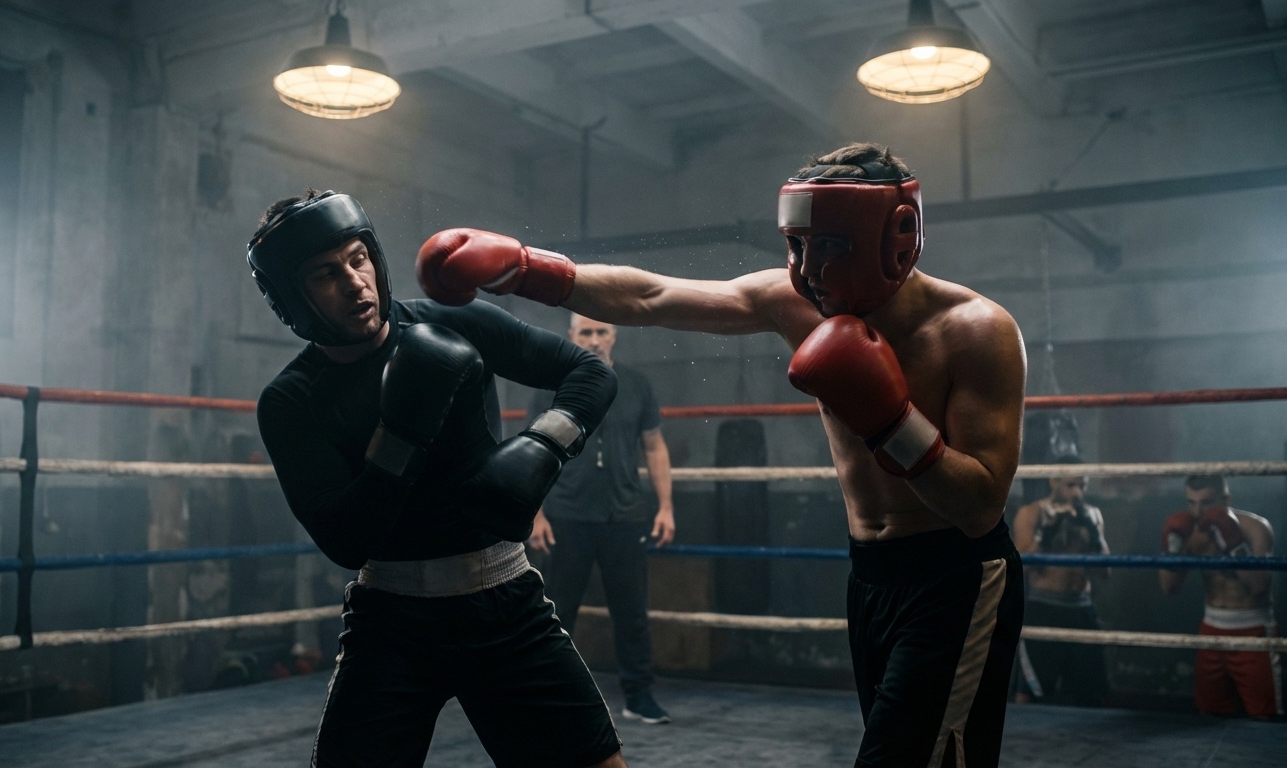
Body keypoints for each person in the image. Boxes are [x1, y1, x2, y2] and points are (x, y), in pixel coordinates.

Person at [416, 142, 1028, 767]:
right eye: (798, 245)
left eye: (831, 246)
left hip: (959, 575)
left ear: (896, 237)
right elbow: (650, 297)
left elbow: (979, 507)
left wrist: (890, 419)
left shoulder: (976, 330)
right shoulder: (798, 302)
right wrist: (526, 270)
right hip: (870, 575)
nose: (810, 268)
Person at [247, 190, 628, 767]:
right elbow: (345, 540)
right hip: (392, 621)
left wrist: (544, 444)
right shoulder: (291, 402)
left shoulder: (455, 323)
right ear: (290, 299)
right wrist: (401, 435)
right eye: (327, 274)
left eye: (357, 259)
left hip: (504, 601)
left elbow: (588, 372)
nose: (355, 282)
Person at [528, 314, 676, 725]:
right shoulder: (554, 384)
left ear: (614, 335)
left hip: (625, 515)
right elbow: (534, 453)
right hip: (567, 516)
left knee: (632, 612)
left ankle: (639, 696)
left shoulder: (635, 384)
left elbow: (654, 446)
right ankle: (550, 697)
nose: (594, 340)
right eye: (586, 332)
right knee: (557, 612)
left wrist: (666, 506)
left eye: (601, 332)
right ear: (572, 337)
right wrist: (536, 514)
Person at [1159, 475, 1280, 719]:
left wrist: (1234, 543)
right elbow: (1168, 588)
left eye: (1206, 503)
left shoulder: (1255, 527)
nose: (1197, 511)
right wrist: (1172, 550)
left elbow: (1258, 587)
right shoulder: (1190, 529)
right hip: (1211, 630)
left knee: (1265, 718)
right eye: (1190, 503)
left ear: (1226, 500)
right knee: (1210, 714)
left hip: (1252, 630)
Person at [1010, 457, 1110, 706]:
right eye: (1070, 485)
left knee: (1089, 691)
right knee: (1033, 690)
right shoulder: (1032, 513)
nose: (1077, 492)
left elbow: (1106, 571)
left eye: (1082, 485)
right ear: (1053, 481)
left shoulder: (1094, 515)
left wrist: (1095, 535)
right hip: (1044, 607)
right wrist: (1046, 534)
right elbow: (1020, 566)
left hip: (1082, 608)